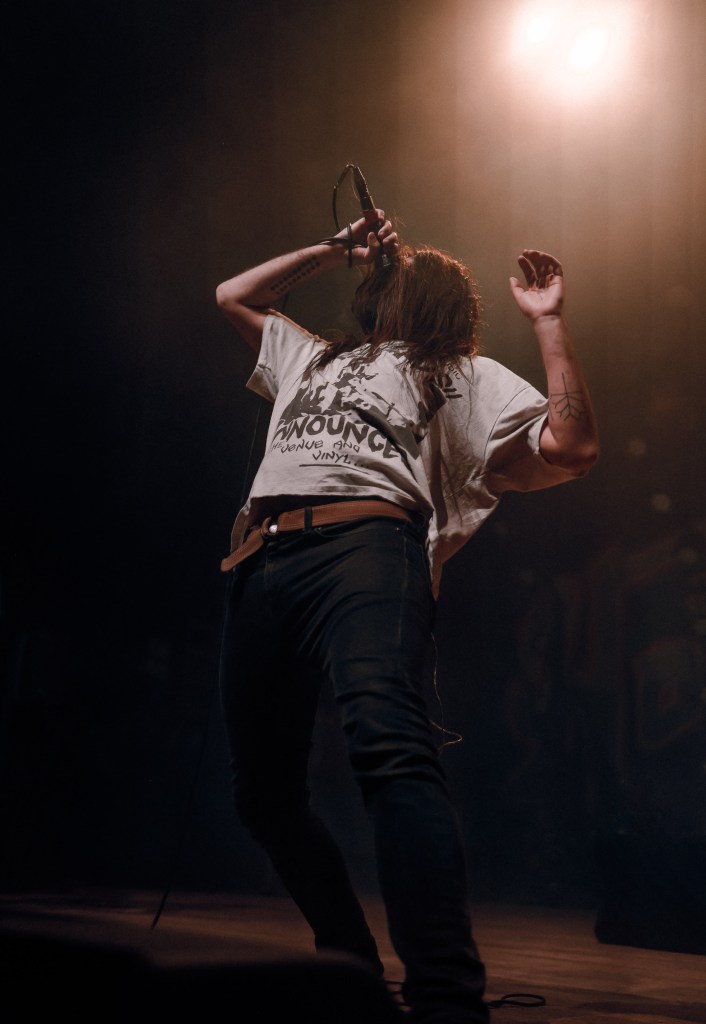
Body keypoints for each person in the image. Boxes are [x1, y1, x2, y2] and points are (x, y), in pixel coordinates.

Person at [215, 206, 599, 1024]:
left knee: (389, 752)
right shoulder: (313, 355)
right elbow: (232, 295)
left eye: (397, 268)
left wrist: (551, 321)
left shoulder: (459, 370)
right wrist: (335, 249)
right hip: (264, 556)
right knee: (263, 792)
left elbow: (570, 446)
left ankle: (445, 995)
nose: (384, 274)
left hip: (369, 546)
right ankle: (348, 963)